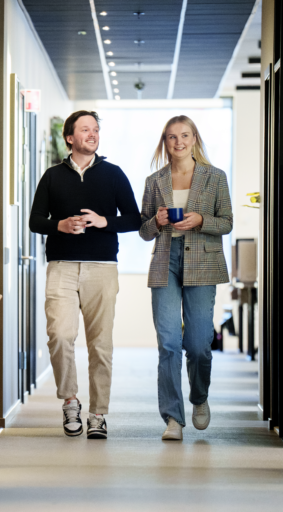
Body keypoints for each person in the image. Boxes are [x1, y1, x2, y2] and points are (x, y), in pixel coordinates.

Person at [29, 110, 141, 439]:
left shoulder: (114, 174)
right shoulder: (52, 176)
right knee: (60, 336)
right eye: (85, 130)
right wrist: (60, 225)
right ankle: (70, 400)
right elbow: (36, 222)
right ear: (69, 137)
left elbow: (135, 219)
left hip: (102, 268)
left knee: (100, 345)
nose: (92, 134)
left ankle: (98, 414)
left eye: (95, 130)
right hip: (61, 267)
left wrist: (106, 221)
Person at [138, 115, 233, 441]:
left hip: (202, 263)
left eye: (184, 136)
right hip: (166, 263)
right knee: (168, 343)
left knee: (198, 344)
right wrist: (157, 220)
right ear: (164, 142)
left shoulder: (215, 177)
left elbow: (227, 223)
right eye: (171, 137)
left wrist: (200, 219)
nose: (178, 142)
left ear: (194, 139)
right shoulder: (155, 181)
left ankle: (199, 397)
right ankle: (173, 419)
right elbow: (143, 229)